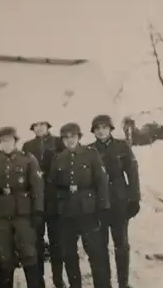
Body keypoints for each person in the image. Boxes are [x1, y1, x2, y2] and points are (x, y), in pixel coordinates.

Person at [49, 123, 111, 288]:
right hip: (67, 212)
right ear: (62, 140)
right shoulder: (58, 159)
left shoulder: (90, 154)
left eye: (73, 137)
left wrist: (102, 207)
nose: (70, 140)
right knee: (69, 253)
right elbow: (52, 186)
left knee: (95, 251)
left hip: (88, 210)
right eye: (66, 138)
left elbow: (101, 181)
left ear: (79, 137)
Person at [0, 126, 44, 288]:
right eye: (3, 141)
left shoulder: (28, 159)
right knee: (4, 256)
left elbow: (37, 187)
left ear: (15, 141)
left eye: (9, 140)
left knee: (28, 253)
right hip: (1, 214)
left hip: (23, 213)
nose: (6, 144)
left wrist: (38, 211)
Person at [90, 115, 141, 288]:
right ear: (93, 131)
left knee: (121, 245)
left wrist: (134, 198)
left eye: (104, 127)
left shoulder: (122, 147)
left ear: (110, 129)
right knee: (100, 246)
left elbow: (132, 173)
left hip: (119, 202)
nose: (101, 131)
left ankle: (123, 283)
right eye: (97, 128)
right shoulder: (89, 151)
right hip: (99, 205)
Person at [22, 121, 66, 288]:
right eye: (35, 125)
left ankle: (58, 280)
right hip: (36, 201)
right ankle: (39, 282)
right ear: (32, 128)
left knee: (57, 243)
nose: (39, 128)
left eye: (42, 124)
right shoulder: (27, 146)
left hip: (55, 199)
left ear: (48, 126)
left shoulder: (58, 142)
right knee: (37, 243)